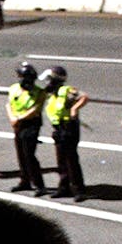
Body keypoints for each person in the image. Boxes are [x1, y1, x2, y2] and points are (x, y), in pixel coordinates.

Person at [43, 65, 88, 201]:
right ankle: (64, 187)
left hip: (69, 127)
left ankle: (79, 189)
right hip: (58, 128)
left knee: (71, 159)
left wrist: (74, 109)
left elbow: (84, 97)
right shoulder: (54, 94)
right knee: (61, 159)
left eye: (49, 79)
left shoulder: (65, 91)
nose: (46, 83)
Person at [7, 61, 49, 195]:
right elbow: (9, 105)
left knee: (29, 155)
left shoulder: (39, 92)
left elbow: (36, 110)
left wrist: (18, 118)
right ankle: (24, 180)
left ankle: (39, 185)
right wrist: (12, 118)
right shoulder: (13, 88)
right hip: (17, 124)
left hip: (31, 124)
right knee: (20, 154)